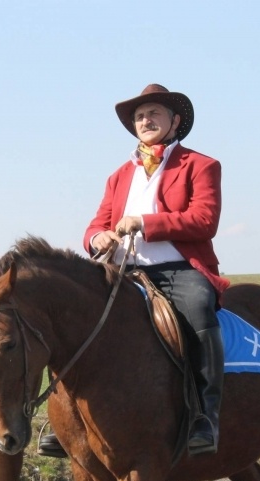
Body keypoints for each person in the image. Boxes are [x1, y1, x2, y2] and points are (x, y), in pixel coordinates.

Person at [40, 84, 229, 458]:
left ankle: (205, 416)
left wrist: (144, 222)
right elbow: (94, 226)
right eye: (140, 116)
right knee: (67, 318)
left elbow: (205, 220)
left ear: (175, 121)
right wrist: (98, 239)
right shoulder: (119, 175)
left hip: (176, 271)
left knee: (199, 311)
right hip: (121, 273)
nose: (145, 120)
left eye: (154, 113)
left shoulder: (201, 165)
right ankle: (66, 421)